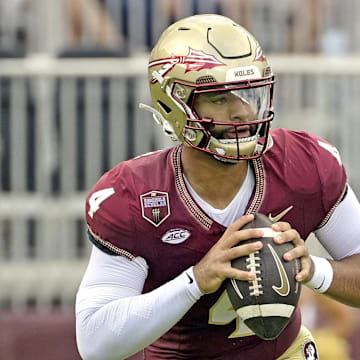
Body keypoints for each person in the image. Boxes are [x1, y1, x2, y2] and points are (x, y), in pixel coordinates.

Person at [75, 14, 360, 360]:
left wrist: (314, 269)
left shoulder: (304, 163)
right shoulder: (136, 194)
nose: (241, 110)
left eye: (247, 93)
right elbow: (94, 344)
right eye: (220, 98)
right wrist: (195, 280)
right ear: (174, 103)